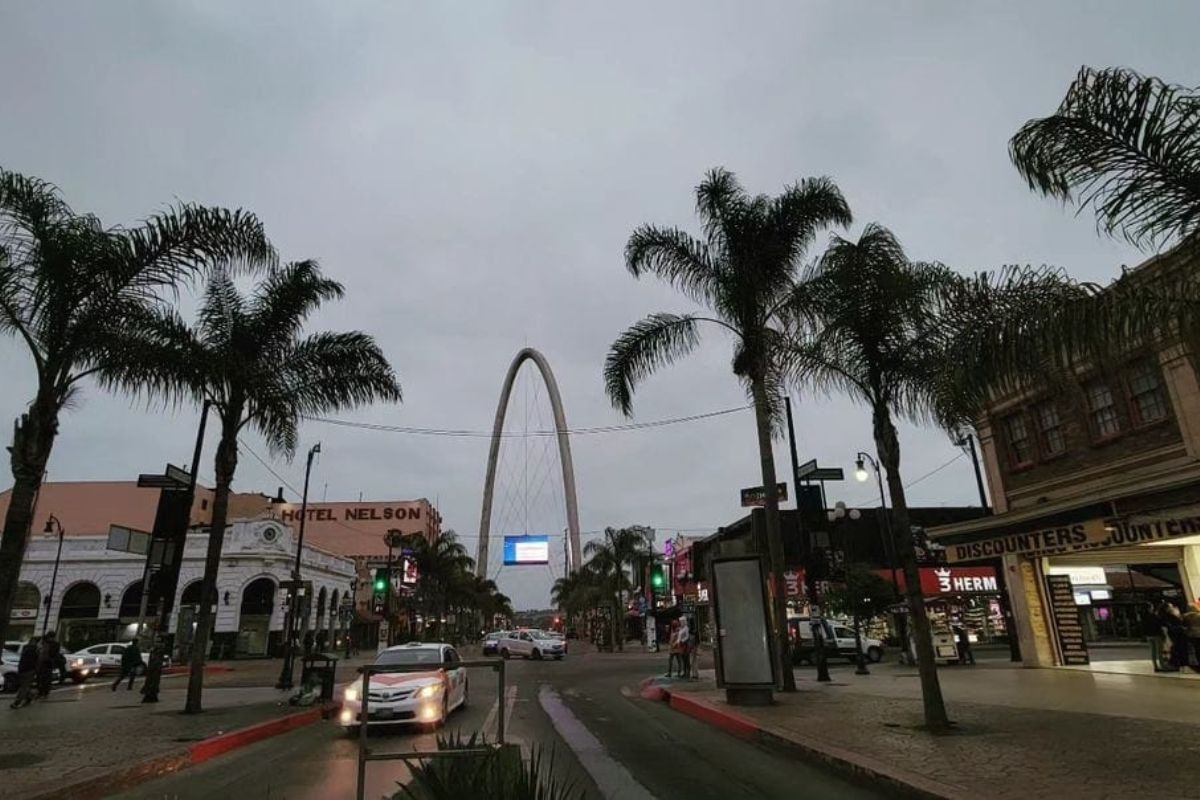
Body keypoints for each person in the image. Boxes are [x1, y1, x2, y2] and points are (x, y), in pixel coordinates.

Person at [10, 638, 40, 709]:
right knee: (25, 686)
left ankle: (18, 701)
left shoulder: (27, 649)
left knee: (24, 686)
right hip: (28, 669)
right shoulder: (34, 650)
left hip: (25, 669)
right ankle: (29, 697)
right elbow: (37, 661)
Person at [1143, 602, 1168, 671]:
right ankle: (1162, 665)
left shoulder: (1144, 616)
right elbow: (1160, 624)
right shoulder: (1154, 616)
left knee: (1153, 652)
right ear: (1149, 608)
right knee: (1159, 651)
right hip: (1157, 635)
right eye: (1151, 607)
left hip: (1149, 636)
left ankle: (1155, 666)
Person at [35, 632, 61, 699]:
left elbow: (54, 654)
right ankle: (41, 692)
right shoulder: (43, 643)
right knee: (41, 678)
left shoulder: (54, 644)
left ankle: (44, 692)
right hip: (42, 663)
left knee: (46, 679)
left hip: (48, 663)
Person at [1164, 602, 1188, 672]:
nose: (1172, 607)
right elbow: (1172, 626)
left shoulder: (1171, 615)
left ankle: (1177, 664)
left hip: (1177, 634)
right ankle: (1178, 664)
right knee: (1179, 649)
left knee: (1177, 649)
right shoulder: (1168, 616)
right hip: (1176, 634)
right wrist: (1181, 628)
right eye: (1170, 606)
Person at [1183, 601, 1200, 673]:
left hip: (1191, 635)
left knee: (1196, 649)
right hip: (1199, 634)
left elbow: (1184, 626)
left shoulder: (1185, 616)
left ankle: (1197, 663)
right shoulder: (1198, 615)